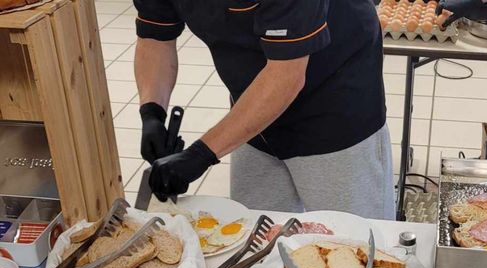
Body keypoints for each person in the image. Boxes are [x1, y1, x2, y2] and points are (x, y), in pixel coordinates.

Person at [134, 0, 395, 220]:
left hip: (334, 102)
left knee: (352, 246)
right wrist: (152, 113)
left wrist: (201, 154)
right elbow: (155, 35)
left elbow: (286, 75)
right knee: (255, 235)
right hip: (255, 106)